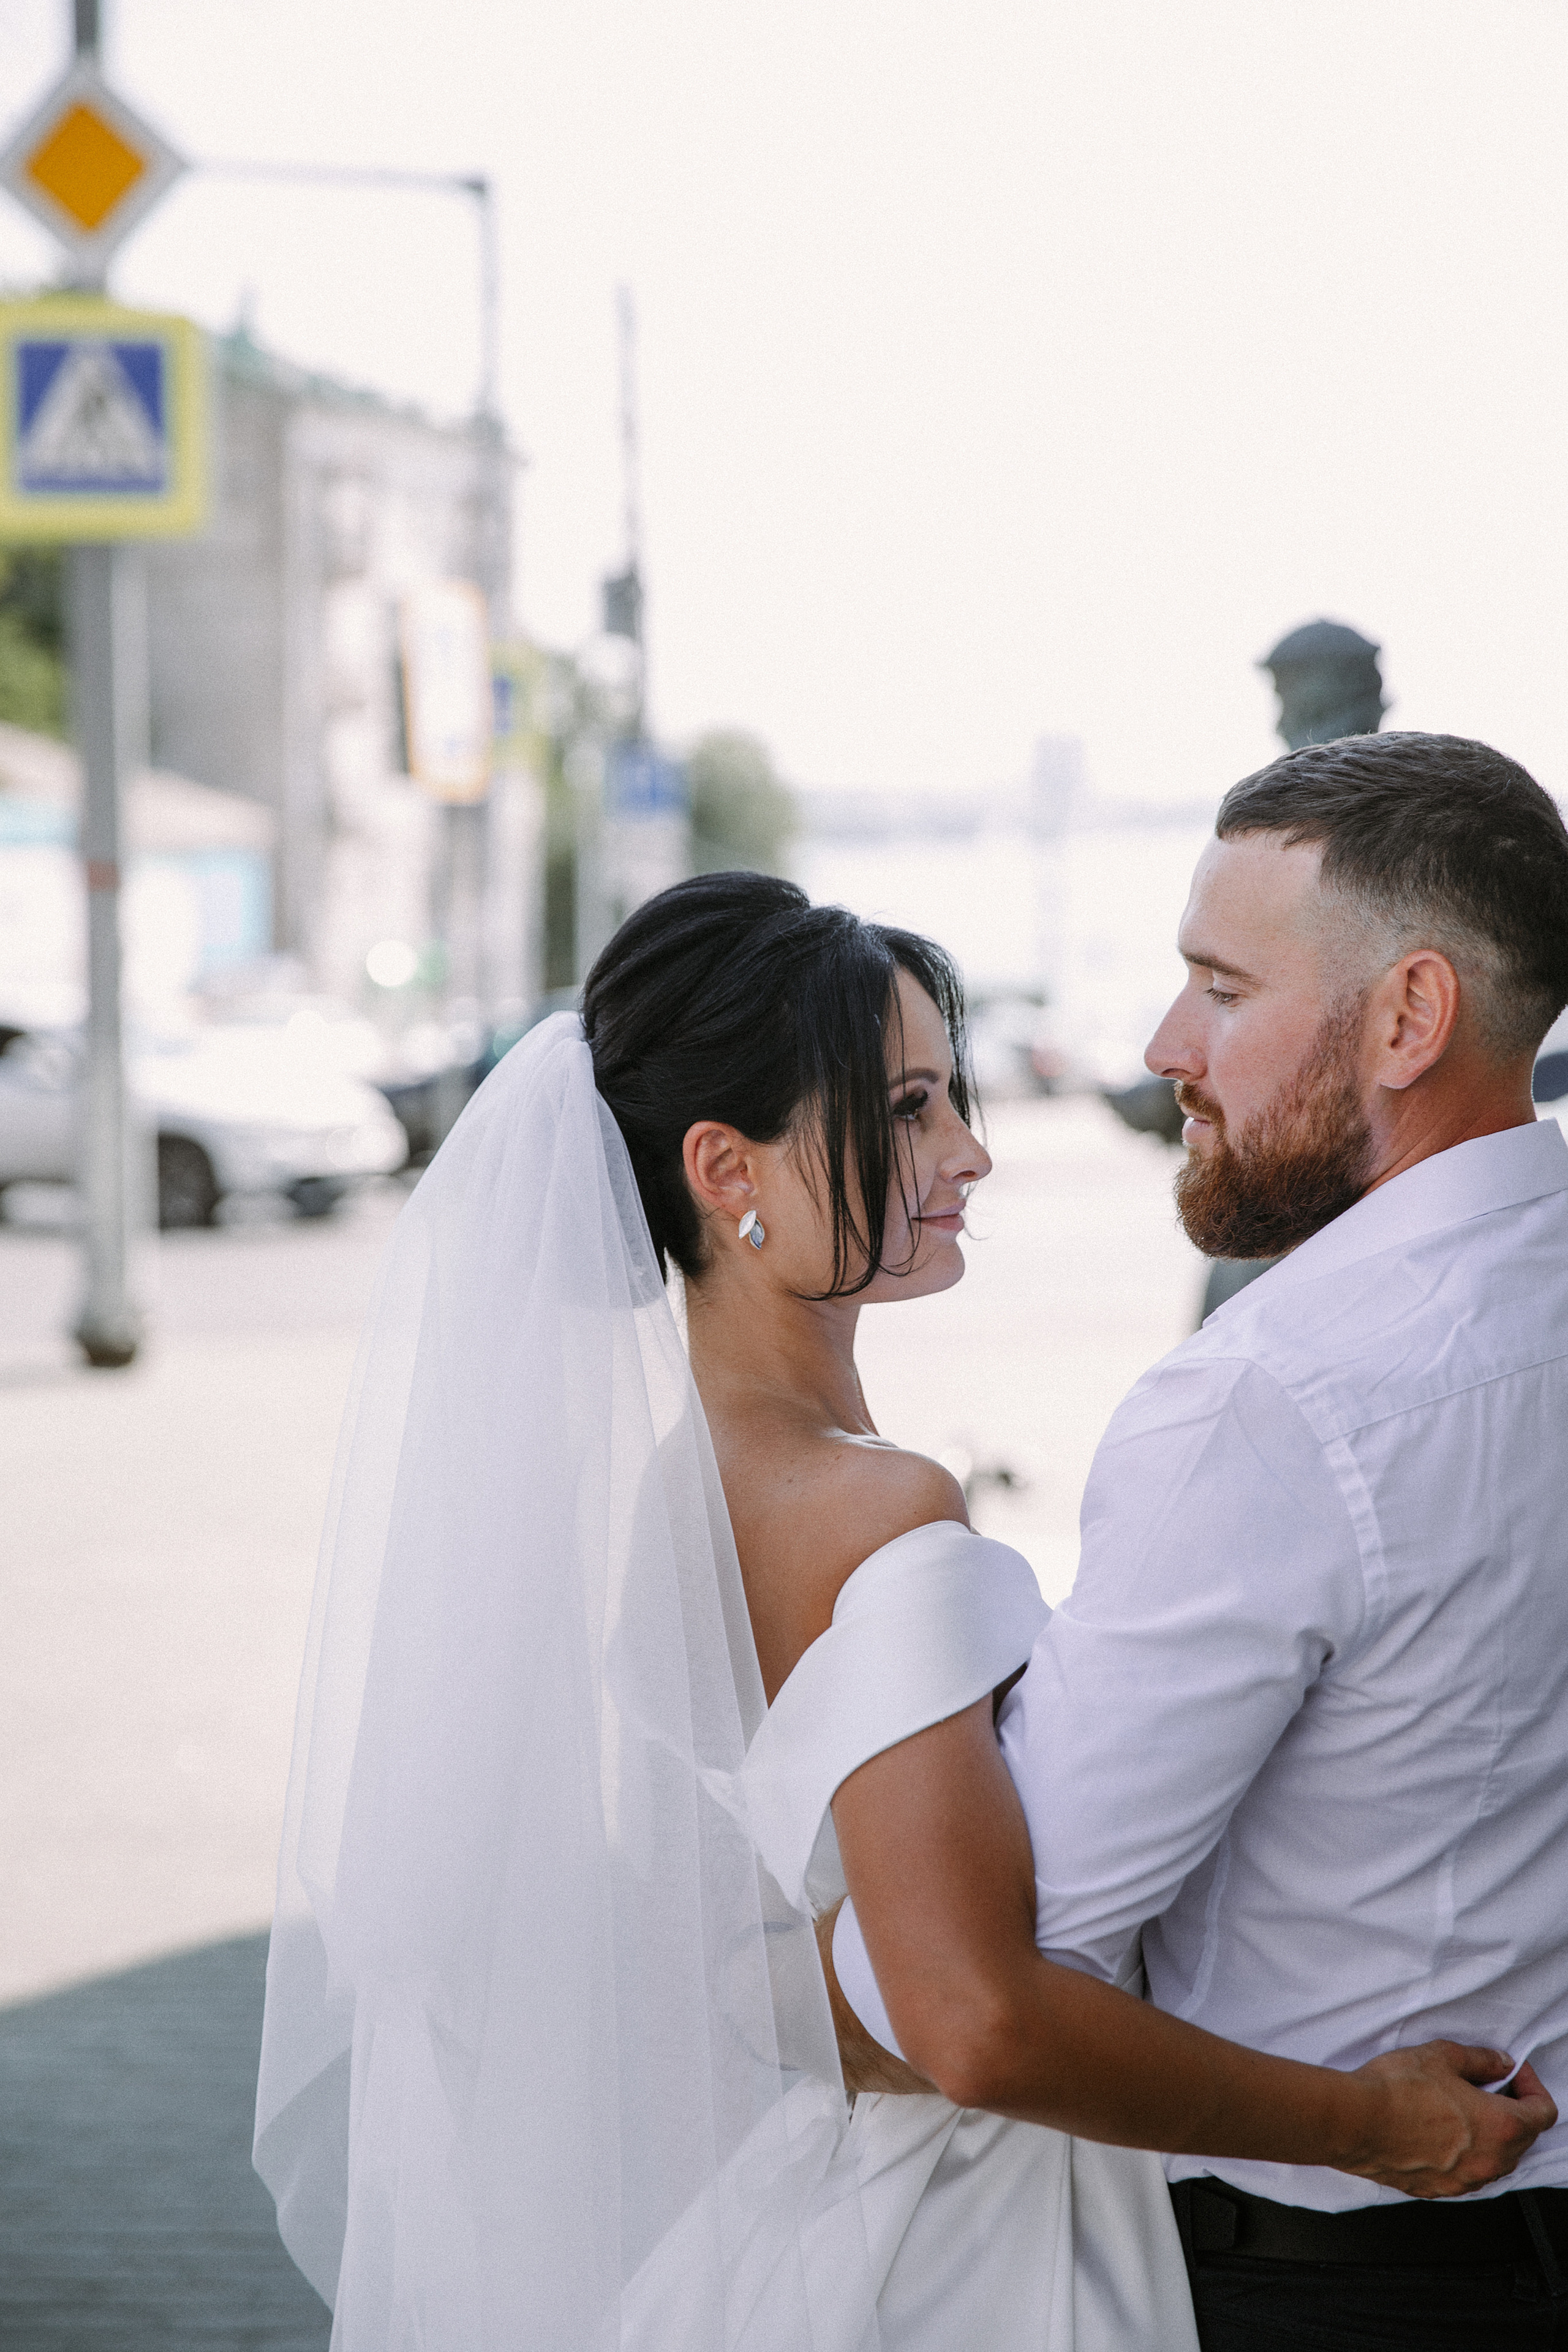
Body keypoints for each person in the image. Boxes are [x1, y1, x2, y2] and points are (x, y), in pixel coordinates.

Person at [254, 867, 1548, 2351]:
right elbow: (974, 2019)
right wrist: (1363, 2124)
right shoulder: (867, 1509)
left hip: (816, 2191)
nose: (973, 1152)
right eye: (912, 1106)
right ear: (726, 1172)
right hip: (977, 2238)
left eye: (951, 1097)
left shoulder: (676, 1496)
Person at [831, 733, 1568, 2349]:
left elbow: (989, 1987)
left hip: (1333, 2288)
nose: (1170, 1044)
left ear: (1409, 1019)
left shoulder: (1271, 1403)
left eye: (1223, 990)